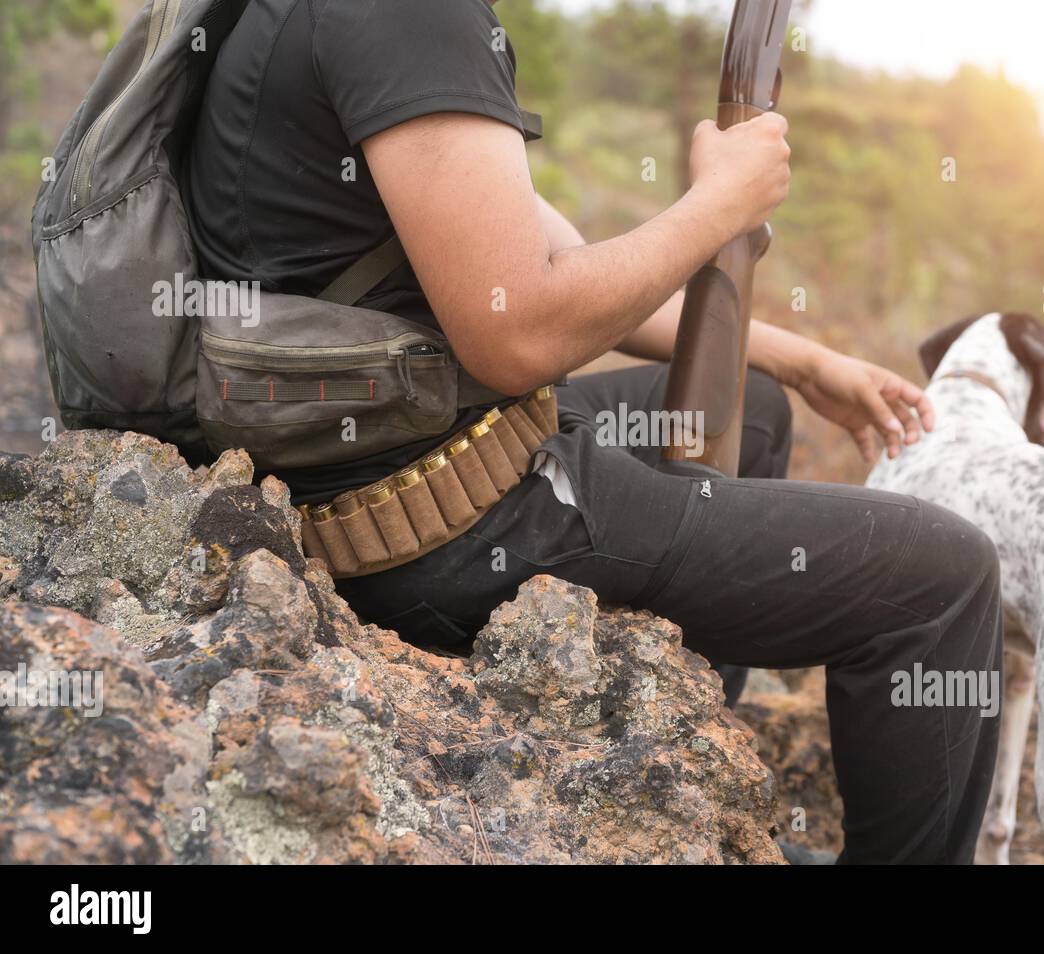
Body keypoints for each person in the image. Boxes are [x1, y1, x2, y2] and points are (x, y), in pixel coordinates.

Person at [184, 0, 1002, 863]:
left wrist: (803, 360)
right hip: (444, 523)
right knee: (940, 581)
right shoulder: (410, 11)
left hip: (396, 455)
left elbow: (560, 262)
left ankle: (679, 783)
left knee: (755, 410)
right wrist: (722, 203)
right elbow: (522, 332)